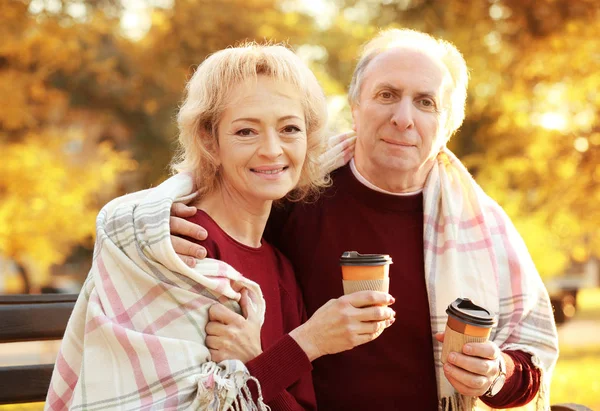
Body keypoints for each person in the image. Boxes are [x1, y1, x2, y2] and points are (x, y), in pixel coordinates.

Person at [170, 29, 559, 410]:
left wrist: (494, 373)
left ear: (449, 125)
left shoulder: (484, 228)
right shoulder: (291, 194)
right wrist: (157, 220)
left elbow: (529, 368)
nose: (403, 118)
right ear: (355, 107)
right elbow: (215, 194)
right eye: (387, 95)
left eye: (426, 102)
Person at [45, 44, 395, 411]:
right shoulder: (180, 246)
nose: (272, 150)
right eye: (246, 132)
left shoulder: (281, 271)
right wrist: (307, 343)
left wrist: (258, 359)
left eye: (290, 128)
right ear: (209, 140)